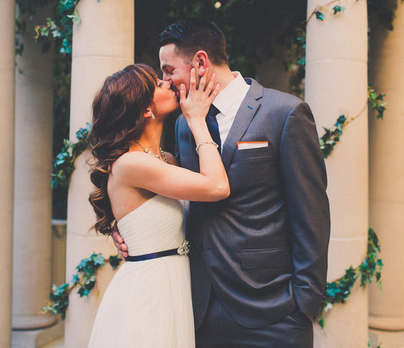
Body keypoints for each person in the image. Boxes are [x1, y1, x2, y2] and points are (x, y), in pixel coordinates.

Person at [115, 19, 331, 347]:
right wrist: (127, 226)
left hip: (273, 309)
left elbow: (312, 216)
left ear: (200, 61)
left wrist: (305, 303)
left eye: (169, 70)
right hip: (198, 307)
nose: (166, 81)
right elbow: (169, 187)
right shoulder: (186, 127)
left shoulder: (284, 113)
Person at [86, 63, 229, 348]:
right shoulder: (132, 163)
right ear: (145, 110)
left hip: (172, 285)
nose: (167, 83)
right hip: (149, 292)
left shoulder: (165, 160)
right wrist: (197, 120)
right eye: (158, 84)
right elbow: (217, 187)